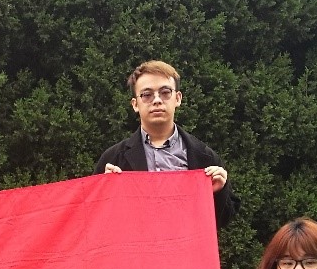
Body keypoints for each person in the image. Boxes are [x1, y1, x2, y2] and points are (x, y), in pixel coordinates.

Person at [94, 60, 238, 228]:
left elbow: (223, 220)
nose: (157, 100)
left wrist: (219, 191)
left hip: (186, 244)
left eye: (165, 92)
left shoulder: (204, 157)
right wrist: (105, 192)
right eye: (147, 94)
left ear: (177, 98)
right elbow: (95, 221)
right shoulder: (114, 159)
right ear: (135, 104)